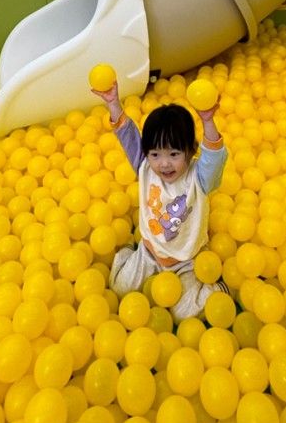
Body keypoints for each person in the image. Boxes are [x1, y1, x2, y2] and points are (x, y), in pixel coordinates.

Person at [92, 78, 229, 320]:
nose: (164, 163)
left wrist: (207, 120)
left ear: (190, 150)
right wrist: (113, 103)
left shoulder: (199, 178)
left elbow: (214, 157)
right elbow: (129, 137)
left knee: (182, 314)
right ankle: (127, 254)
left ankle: (216, 288)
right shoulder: (145, 167)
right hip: (149, 252)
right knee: (119, 289)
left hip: (186, 261)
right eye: (155, 154)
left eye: (174, 154)